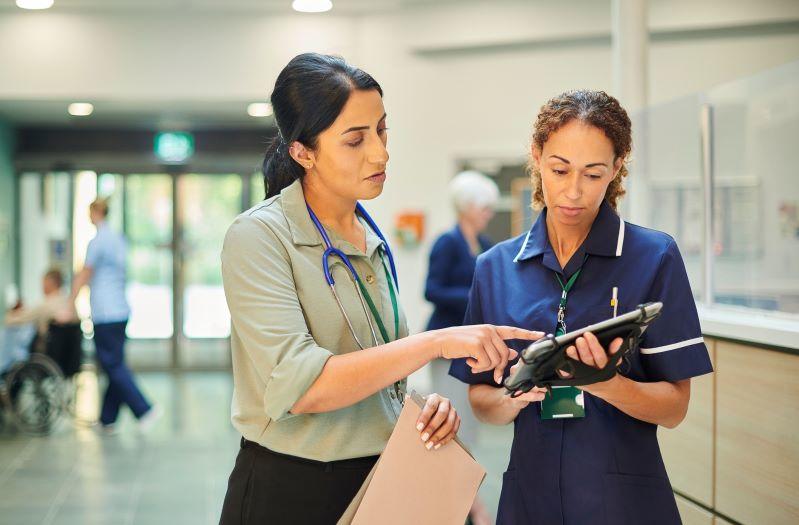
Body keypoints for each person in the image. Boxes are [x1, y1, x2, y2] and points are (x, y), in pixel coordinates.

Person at [218, 53, 539, 525]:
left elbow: (379, 373)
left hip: (379, 481)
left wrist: (419, 410)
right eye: (355, 140)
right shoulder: (258, 237)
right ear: (303, 152)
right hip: (290, 490)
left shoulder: (371, 238)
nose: (380, 153)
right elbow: (300, 385)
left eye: (382, 131)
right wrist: (434, 342)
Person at [449, 90, 714, 525]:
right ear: (536, 157)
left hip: (624, 501)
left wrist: (605, 383)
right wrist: (514, 396)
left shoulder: (654, 257)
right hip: (528, 497)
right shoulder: (495, 267)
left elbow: (675, 408)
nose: (573, 192)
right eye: (559, 169)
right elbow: (480, 398)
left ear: (617, 166)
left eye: (593, 174)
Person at [424, 170, 499, 525]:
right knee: (452, 429)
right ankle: (472, 509)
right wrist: (473, 297)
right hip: (445, 347)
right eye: (484, 206)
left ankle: (466, 503)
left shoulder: (483, 244)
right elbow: (432, 290)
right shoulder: (447, 243)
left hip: (472, 350)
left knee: (470, 429)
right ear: (467, 206)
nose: (488, 213)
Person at [71, 198, 161, 433]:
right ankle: (107, 419)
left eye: (90, 212)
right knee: (114, 364)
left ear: (98, 212)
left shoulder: (97, 241)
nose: (88, 217)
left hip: (105, 313)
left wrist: (69, 302)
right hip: (120, 311)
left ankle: (144, 408)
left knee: (112, 365)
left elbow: (84, 274)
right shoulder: (118, 239)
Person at [3, 269, 80, 375]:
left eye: (43, 282)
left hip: (46, 353)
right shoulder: (69, 304)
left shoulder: (46, 304)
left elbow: (16, 319)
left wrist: (9, 314)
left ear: (50, 283)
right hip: (70, 359)